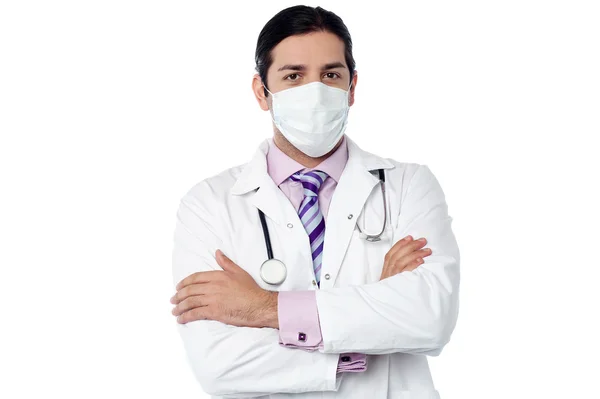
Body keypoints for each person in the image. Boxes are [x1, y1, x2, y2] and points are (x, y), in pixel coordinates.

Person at [169, 5, 460, 399]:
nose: (316, 92)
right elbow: (219, 365)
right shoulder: (208, 204)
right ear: (262, 91)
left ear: (352, 88)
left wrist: (262, 307)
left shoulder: (408, 185)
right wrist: (370, 330)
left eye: (330, 75)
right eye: (294, 76)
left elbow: (430, 318)